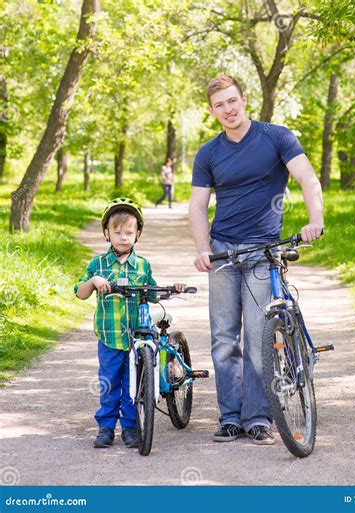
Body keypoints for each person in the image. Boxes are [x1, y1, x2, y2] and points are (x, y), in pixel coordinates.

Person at [188, 76, 324, 446]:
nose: (228, 109)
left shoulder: (276, 137)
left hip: (264, 251)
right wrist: (203, 248)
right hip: (224, 251)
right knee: (223, 339)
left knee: (256, 340)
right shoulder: (209, 153)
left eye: (233, 101)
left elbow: (308, 179)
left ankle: (259, 417)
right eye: (220, 105)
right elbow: (198, 206)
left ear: (244, 100)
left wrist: (316, 220)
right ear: (212, 111)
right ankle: (230, 417)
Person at [74, 197, 184, 449]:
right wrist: (94, 282)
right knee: (110, 381)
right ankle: (106, 426)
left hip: (137, 337)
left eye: (129, 232)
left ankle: (131, 427)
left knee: (133, 383)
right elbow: (80, 292)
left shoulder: (142, 265)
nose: (124, 237)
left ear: (137, 235)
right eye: (118, 232)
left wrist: (172, 289)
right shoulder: (98, 265)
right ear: (107, 233)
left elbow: (153, 292)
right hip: (110, 336)